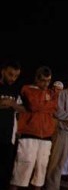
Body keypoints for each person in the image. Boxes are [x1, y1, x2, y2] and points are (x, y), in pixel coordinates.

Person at [10, 66, 57, 190]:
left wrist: (42, 105)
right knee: (22, 169)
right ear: (36, 78)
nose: (46, 84)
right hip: (28, 134)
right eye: (43, 80)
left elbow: (54, 106)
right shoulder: (27, 89)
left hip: (46, 136)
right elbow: (33, 105)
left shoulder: (51, 93)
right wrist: (46, 105)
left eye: (49, 81)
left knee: (41, 170)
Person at [0, 60, 24, 189]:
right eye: (10, 74)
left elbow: (23, 109)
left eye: (16, 76)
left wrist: (11, 103)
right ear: (2, 71)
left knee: (5, 174)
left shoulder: (15, 90)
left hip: (8, 139)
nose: (13, 78)